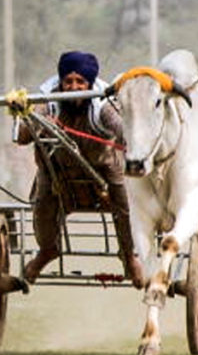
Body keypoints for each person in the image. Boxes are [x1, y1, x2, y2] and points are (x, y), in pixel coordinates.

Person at [10, 51, 144, 289]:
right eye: (68, 81)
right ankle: (48, 251)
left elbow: (121, 129)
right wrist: (32, 120)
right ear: (61, 82)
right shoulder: (47, 101)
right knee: (41, 205)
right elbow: (21, 137)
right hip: (56, 171)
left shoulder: (102, 103)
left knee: (123, 203)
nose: (74, 87)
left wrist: (132, 136)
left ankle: (129, 255)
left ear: (89, 83)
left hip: (101, 169)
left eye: (80, 82)